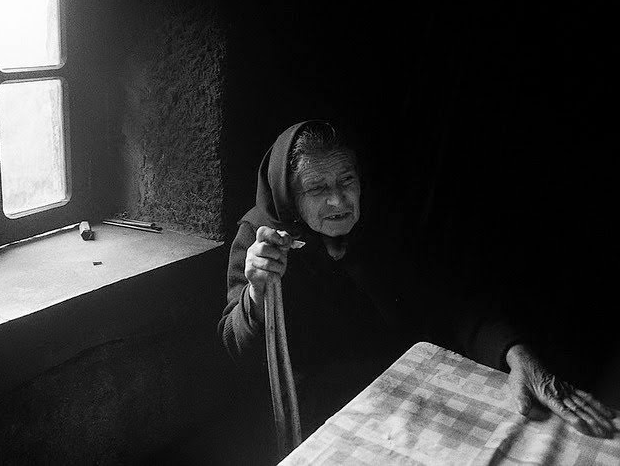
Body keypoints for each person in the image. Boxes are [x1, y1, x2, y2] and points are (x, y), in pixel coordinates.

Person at [218, 119, 616, 440]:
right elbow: (238, 348)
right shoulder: (262, 239)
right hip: (323, 409)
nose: (338, 200)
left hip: (406, 388)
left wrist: (516, 354)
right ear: (289, 196)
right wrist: (257, 291)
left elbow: (448, 299)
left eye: (347, 180)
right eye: (317, 188)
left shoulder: (380, 224)